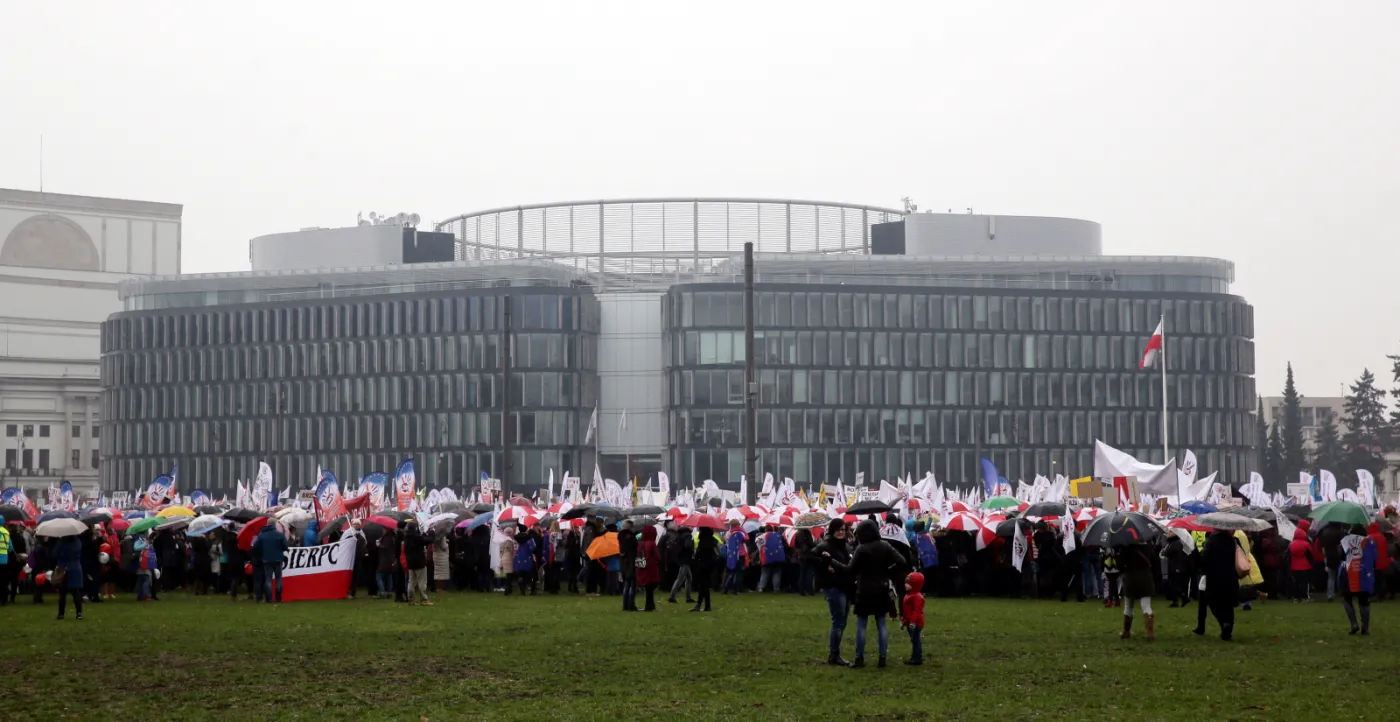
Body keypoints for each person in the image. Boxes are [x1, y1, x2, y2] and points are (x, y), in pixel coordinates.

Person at [825, 519, 909, 669]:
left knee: (861, 624)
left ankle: (859, 658)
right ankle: (882, 657)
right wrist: (888, 570)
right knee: (881, 623)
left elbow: (849, 570)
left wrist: (832, 562)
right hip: (882, 587)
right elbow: (902, 561)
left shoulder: (861, 549)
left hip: (864, 589)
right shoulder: (885, 545)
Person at [814, 519, 854, 666]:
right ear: (832, 530)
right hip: (834, 587)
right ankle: (834, 654)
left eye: (843, 529)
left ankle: (835, 653)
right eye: (838, 529)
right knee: (838, 622)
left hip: (846, 586)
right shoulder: (826, 545)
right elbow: (813, 560)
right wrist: (825, 567)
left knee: (842, 622)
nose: (841, 532)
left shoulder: (846, 545)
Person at [1194, 529, 1241, 641]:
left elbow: (1204, 559)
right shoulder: (1233, 541)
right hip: (1230, 576)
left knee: (1214, 603)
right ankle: (1228, 626)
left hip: (1214, 577)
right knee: (1228, 604)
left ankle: (1223, 623)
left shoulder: (1211, 541)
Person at [1339, 526, 1377, 635]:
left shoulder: (1345, 540)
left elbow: (1341, 556)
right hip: (1364, 574)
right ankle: (1365, 627)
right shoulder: (1369, 541)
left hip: (1349, 572)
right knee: (1364, 601)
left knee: (1347, 599)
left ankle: (1354, 624)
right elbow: (1374, 557)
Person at [1116, 543, 1155, 641]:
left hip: (1130, 578)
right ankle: (1149, 632)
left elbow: (1119, 564)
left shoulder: (1126, 547)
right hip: (1146, 578)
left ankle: (1126, 632)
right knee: (1146, 606)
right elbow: (1154, 561)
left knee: (1128, 606)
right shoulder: (1148, 546)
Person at [250, 522, 289, 604]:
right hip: (278, 559)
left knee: (268, 579)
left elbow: (255, 547)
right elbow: (285, 546)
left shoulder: (262, 536)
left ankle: (269, 598)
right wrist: (280, 549)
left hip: (266, 560)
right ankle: (278, 597)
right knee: (278, 578)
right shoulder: (280, 535)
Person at [53, 534, 85, 620]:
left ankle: (61, 614)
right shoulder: (77, 541)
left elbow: (55, 553)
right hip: (75, 567)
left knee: (62, 593)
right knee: (76, 593)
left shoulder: (61, 542)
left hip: (63, 568)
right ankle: (79, 613)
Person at [402, 519, 433, 605]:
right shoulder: (417, 537)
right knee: (422, 581)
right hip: (419, 561)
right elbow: (428, 540)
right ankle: (424, 599)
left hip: (410, 562)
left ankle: (410, 599)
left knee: (411, 581)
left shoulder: (406, 537)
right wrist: (431, 532)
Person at [690, 526, 718, 613]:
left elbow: (698, 555)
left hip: (702, 565)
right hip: (710, 565)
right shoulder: (712, 541)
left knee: (703, 586)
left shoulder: (703, 542)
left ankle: (700, 605)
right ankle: (706, 605)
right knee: (705, 586)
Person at [900, 571, 925, 666]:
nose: (905, 585)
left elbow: (916, 612)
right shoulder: (909, 595)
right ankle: (915, 657)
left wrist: (913, 622)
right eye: (905, 582)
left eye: (908, 583)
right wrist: (903, 621)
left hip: (916, 623)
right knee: (914, 640)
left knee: (916, 640)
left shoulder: (917, 597)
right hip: (910, 623)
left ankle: (917, 658)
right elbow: (906, 611)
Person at [667, 524, 696, 605]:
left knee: (689, 578)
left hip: (680, 558)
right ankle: (672, 596)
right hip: (685, 559)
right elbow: (688, 546)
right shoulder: (687, 535)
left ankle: (688, 597)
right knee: (680, 579)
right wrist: (692, 551)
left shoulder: (679, 534)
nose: (693, 527)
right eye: (692, 526)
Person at [636, 524, 662, 611]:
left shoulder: (640, 543)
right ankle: (650, 606)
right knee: (651, 587)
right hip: (651, 567)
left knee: (647, 588)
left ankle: (650, 605)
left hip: (642, 566)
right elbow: (657, 556)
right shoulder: (652, 543)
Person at [1160, 534, 1191, 608]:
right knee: (1177, 585)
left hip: (1175, 567)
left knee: (1174, 585)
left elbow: (1166, 553)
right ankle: (1181, 599)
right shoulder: (1179, 543)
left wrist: (1165, 548)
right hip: (1180, 567)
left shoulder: (1174, 544)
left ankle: (1180, 599)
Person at [1288, 527, 1316, 602]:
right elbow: (1311, 554)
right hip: (1305, 565)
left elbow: (1289, 555)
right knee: (1304, 582)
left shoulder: (1291, 544)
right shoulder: (1306, 544)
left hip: (1294, 566)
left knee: (1296, 582)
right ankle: (1304, 597)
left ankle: (1296, 597)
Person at [757, 525, 787, 593]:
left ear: (765, 529)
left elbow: (759, 546)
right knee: (777, 573)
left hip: (767, 557)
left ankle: (761, 588)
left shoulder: (762, 536)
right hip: (779, 557)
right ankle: (776, 589)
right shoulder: (778, 535)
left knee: (765, 573)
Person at [1366, 522, 1391, 602]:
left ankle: (1375, 595)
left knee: (1374, 579)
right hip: (1382, 561)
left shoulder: (1371, 537)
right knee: (1380, 578)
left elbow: (1369, 550)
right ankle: (1381, 595)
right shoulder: (1381, 536)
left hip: (1374, 561)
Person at [723, 520, 748, 595]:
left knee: (732, 572)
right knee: (739, 572)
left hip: (731, 554)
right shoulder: (739, 533)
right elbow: (746, 538)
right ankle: (736, 590)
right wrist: (743, 530)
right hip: (740, 554)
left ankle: (726, 588)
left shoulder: (728, 533)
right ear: (737, 525)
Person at [618, 520, 638, 611]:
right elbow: (634, 546)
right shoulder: (630, 537)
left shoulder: (620, 536)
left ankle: (625, 605)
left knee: (626, 584)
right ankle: (631, 604)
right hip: (631, 561)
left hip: (624, 561)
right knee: (632, 584)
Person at [134, 533, 159, 602]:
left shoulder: (147, 540)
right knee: (146, 580)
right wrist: (145, 544)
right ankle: (145, 596)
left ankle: (141, 596)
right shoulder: (139, 540)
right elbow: (135, 548)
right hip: (142, 562)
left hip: (148, 563)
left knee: (142, 580)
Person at [513, 528, 536, 596]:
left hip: (518, 560)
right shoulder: (528, 541)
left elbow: (515, 549)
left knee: (520, 575)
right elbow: (533, 548)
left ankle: (522, 589)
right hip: (527, 560)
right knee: (528, 576)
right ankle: (528, 589)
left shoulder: (517, 541)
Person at [375, 528, 397, 599]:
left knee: (379, 576)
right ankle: (389, 592)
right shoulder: (393, 537)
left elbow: (385, 547)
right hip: (391, 559)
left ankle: (382, 592)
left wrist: (378, 545)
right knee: (389, 576)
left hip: (385, 559)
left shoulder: (387, 538)